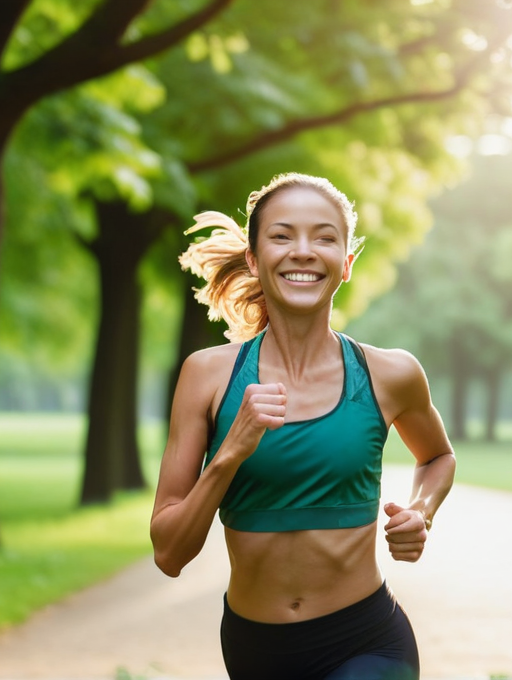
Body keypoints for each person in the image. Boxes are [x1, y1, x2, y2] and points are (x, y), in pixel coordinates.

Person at [150, 173, 456, 680]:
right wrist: (230, 452)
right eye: (282, 235)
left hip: (367, 640)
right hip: (256, 650)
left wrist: (422, 512)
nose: (303, 250)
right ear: (253, 259)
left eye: (324, 237)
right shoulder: (207, 376)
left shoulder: (390, 374)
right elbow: (169, 553)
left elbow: (438, 456)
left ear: (346, 264)